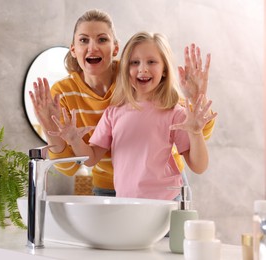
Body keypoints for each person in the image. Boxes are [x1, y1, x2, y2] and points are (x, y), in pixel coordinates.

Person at [29, 9, 215, 197]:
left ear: (115, 48)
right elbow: (84, 160)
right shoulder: (110, 110)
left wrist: (196, 103)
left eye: (102, 39)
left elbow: (194, 130)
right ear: (73, 49)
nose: (142, 69)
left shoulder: (165, 104)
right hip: (119, 194)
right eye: (84, 40)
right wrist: (65, 135)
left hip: (168, 198)